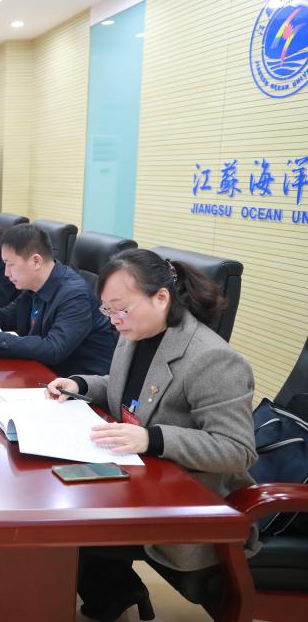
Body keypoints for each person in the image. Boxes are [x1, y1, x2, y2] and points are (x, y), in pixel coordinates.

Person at [44, 248, 257, 621]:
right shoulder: (136, 331)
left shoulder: (212, 359)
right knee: (57, 495)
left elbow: (237, 449)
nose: (114, 321)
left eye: (121, 310)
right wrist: (80, 384)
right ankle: (116, 593)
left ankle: (111, 597)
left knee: (72, 526)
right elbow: (127, 388)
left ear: (161, 297)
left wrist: (152, 438)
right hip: (139, 477)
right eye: (107, 311)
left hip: (188, 499)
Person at [0, 224, 115, 376]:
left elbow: (53, 349)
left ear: (36, 261)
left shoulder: (74, 295)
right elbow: (5, 316)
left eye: (10, 264)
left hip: (77, 385)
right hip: (43, 372)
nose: (6, 273)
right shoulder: (34, 286)